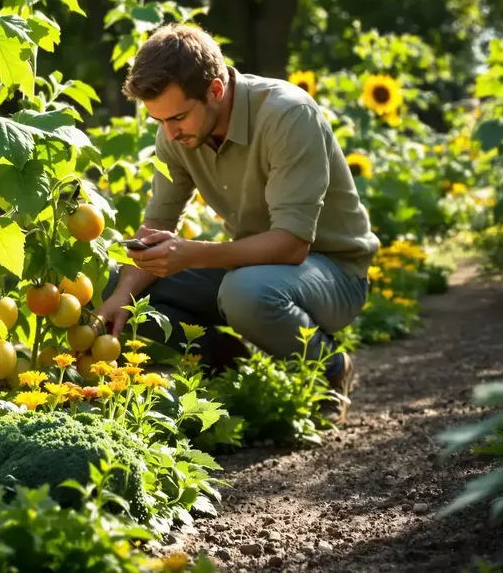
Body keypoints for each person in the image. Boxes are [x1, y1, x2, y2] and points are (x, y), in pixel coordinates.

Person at [96, 23, 380, 422]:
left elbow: (293, 244)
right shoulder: (176, 133)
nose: (169, 133)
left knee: (244, 291)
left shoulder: (288, 115)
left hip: (332, 272)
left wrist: (190, 254)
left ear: (215, 90)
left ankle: (331, 369)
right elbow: (155, 225)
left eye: (176, 117)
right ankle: (228, 364)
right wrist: (121, 295)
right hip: (253, 267)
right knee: (114, 283)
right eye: (159, 121)